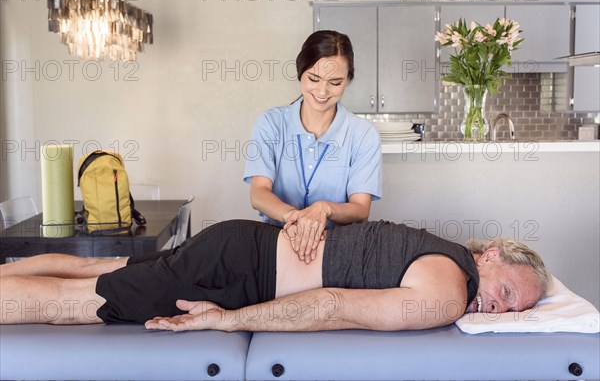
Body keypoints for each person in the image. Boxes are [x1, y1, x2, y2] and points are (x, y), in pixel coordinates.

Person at [0, 219, 550, 333]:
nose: (496, 306)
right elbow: (331, 303)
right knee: (72, 303)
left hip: (236, 241)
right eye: (505, 292)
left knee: (101, 266)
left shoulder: (444, 248)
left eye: (511, 309)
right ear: (491, 255)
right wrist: (228, 319)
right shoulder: (451, 292)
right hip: (236, 271)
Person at [244, 30, 382, 263]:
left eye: (335, 82)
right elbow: (259, 194)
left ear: (348, 79)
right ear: (300, 72)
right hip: (276, 241)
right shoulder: (270, 123)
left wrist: (324, 209)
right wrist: (296, 220)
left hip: (338, 247)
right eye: (314, 79)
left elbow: (360, 208)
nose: (322, 91)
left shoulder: (363, 134)